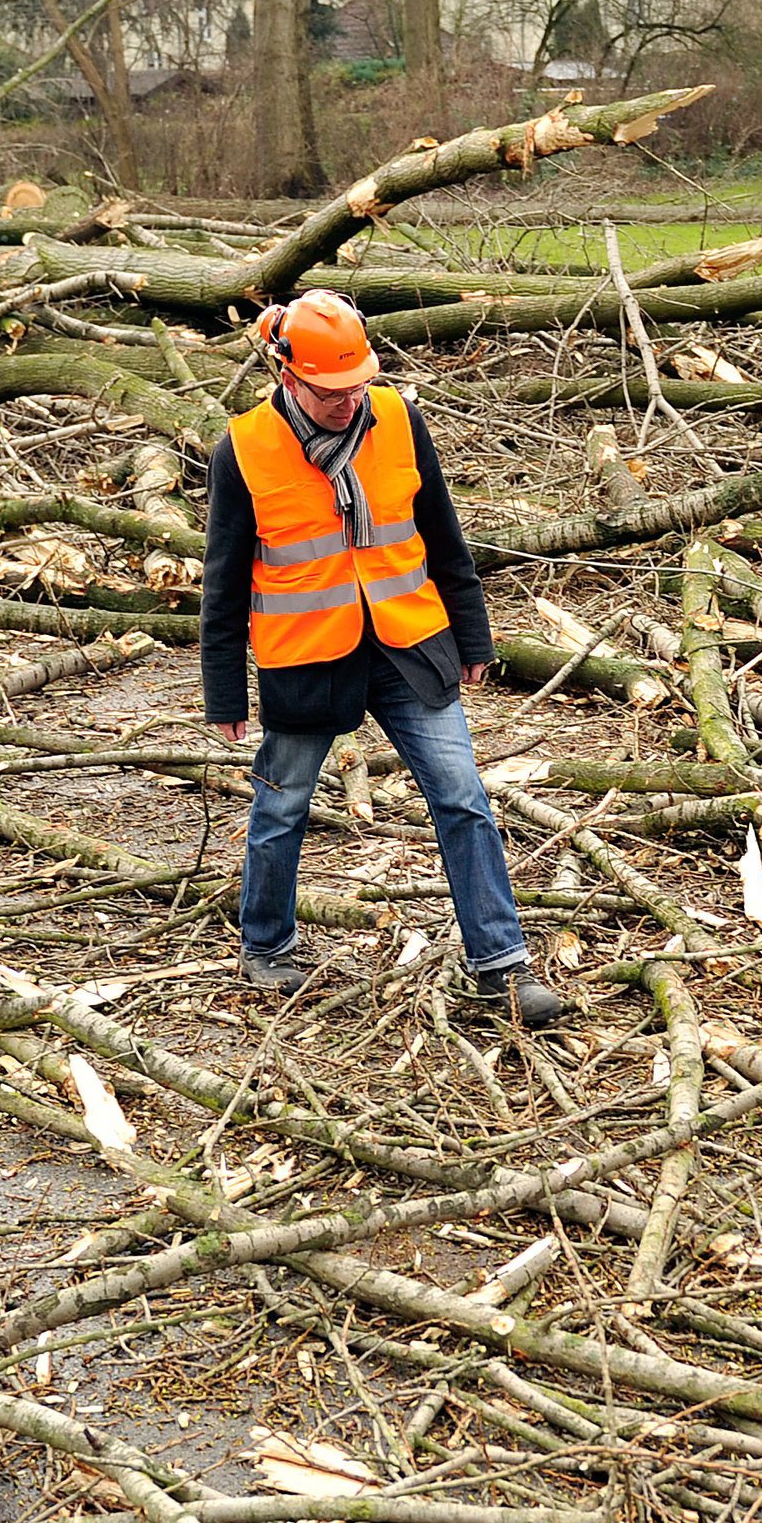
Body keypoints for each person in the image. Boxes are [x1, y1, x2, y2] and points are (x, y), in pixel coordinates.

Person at [200, 290, 569, 1028]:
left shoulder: (398, 419)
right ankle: (266, 945)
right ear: (287, 376)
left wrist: (473, 639)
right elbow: (225, 576)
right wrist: (225, 695)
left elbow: (442, 534)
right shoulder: (241, 448)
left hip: (409, 646)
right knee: (282, 808)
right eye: (330, 391)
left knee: (464, 798)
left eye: (358, 383)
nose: (348, 401)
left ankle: (499, 964)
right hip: (306, 660)